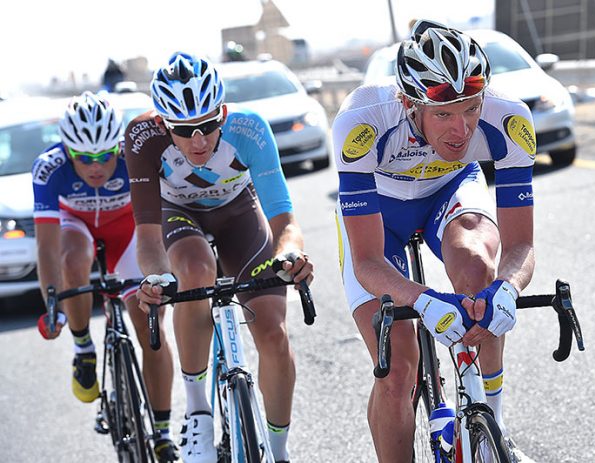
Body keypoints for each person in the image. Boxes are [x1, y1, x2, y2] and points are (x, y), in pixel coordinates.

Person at [333, 20, 536, 462]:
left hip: (448, 190)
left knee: (479, 268)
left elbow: (520, 246)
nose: (461, 130)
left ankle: (491, 430)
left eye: (470, 109)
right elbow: (367, 260)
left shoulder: (509, 117)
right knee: (400, 371)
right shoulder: (361, 120)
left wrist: (507, 289)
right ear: (409, 104)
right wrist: (424, 300)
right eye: (443, 114)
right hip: (380, 214)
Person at [125, 52, 313, 463]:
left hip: (238, 214)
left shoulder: (250, 130)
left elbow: (284, 222)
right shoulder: (142, 137)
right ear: (162, 124)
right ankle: (197, 413)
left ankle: (279, 452)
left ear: (223, 112)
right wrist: (157, 278)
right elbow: (148, 237)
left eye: (209, 125)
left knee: (274, 336)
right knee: (193, 271)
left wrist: (290, 254)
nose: (199, 140)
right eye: (184, 129)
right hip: (178, 215)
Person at [33, 91, 179, 461]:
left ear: (117, 146)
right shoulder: (48, 169)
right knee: (72, 257)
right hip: (76, 228)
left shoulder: (132, 158)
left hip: (127, 232)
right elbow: (47, 249)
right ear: (67, 150)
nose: (95, 166)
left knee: (153, 332)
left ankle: (161, 432)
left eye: (104, 156)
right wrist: (53, 306)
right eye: (83, 158)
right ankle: (83, 348)